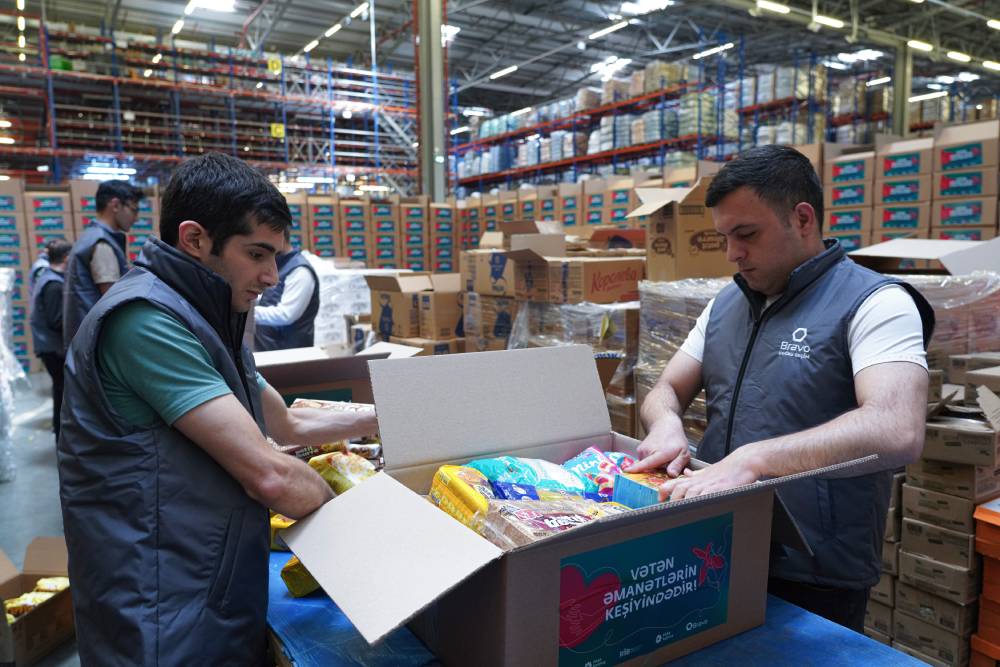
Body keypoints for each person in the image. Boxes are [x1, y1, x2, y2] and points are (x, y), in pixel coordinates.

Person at [57, 153, 379, 666]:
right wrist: (362, 513)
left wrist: (382, 419)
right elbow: (270, 475)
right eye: (257, 254)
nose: (271, 276)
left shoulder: (204, 318)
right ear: (195, 239)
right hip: (160, 601)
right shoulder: (145, 323)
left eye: (276, 257)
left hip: (206, 581)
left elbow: (287, 421)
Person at [631, 145, 935, 632]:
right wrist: (665, 423)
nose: (732, 253)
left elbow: (896, 428)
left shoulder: (876, 303)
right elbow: (666, 385)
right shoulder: (726, 304)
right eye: (725, 237)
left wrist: (755, 460)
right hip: (716, 545)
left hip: (814, 573)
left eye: (747, 234)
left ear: (802, 218)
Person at [61, 180, 143, 348]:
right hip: (97, 341)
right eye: (134, 210)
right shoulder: (101, 243)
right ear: (115, 205)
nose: (136, 218)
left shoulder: (91, 237)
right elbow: (112, 299)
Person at [30, 238, 72, 439]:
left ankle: (61, 432)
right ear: (66, 258)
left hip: (49, 345)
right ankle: (61, 434)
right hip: (53, 348)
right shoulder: (54, 284)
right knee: (62, 391)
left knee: (60, 390)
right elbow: (57, 320)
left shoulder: (49, 278)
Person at [253, 248, 319, 350]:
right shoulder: (279, 264)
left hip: (288, 352)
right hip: (268, 347)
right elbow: (268, 298)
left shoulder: (300, 271)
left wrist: (249, 312)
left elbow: (286, 315)